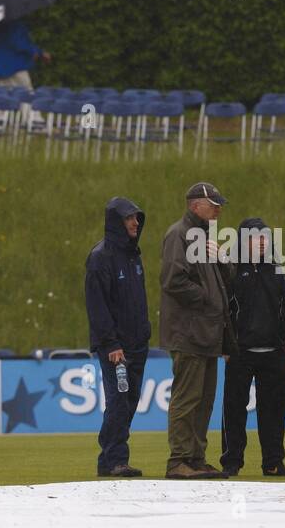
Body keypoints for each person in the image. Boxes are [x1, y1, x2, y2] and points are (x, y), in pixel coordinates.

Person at [160, 182, 234, 480]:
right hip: (189, 331)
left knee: (204, 400)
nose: (218, 208)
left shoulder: (204, 238)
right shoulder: (179, 234)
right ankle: (179, 460)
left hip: (207, 332)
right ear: (194, 205)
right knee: (187, 398)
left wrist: (222, 259)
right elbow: (173, 280)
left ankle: (196, 458)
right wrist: (206, 298)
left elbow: (226, 282)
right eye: (212, 204)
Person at [220, 218, 285, 478]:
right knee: (233, 411)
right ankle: (231, 462)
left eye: (265, 236)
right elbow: (224, 313)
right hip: (240, 354)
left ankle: (273, 463)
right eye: (256, 237)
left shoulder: (278, 271)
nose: (262, 241)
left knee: (274, 412)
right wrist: (227, 347)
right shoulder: (232, 271)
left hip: (273, 355)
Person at [85, 196, 152, 478]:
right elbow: (97, 305)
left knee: (130, 400)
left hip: (137, 344)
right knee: (119, 400)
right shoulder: (100, 258)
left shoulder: (133, 255)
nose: (135, 222)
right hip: (117, 348)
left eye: (137, 217)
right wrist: (111, 343)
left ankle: (111, 459)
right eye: (129, 218)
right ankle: (114, 459)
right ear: (116, 222)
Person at [0, 19, 51, 90]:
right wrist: (36, 52)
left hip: (2, 69)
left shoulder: (1, 26)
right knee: (26, 97)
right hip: (16, 68)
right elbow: (19, 43)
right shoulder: (16, 24)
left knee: (3, 98)